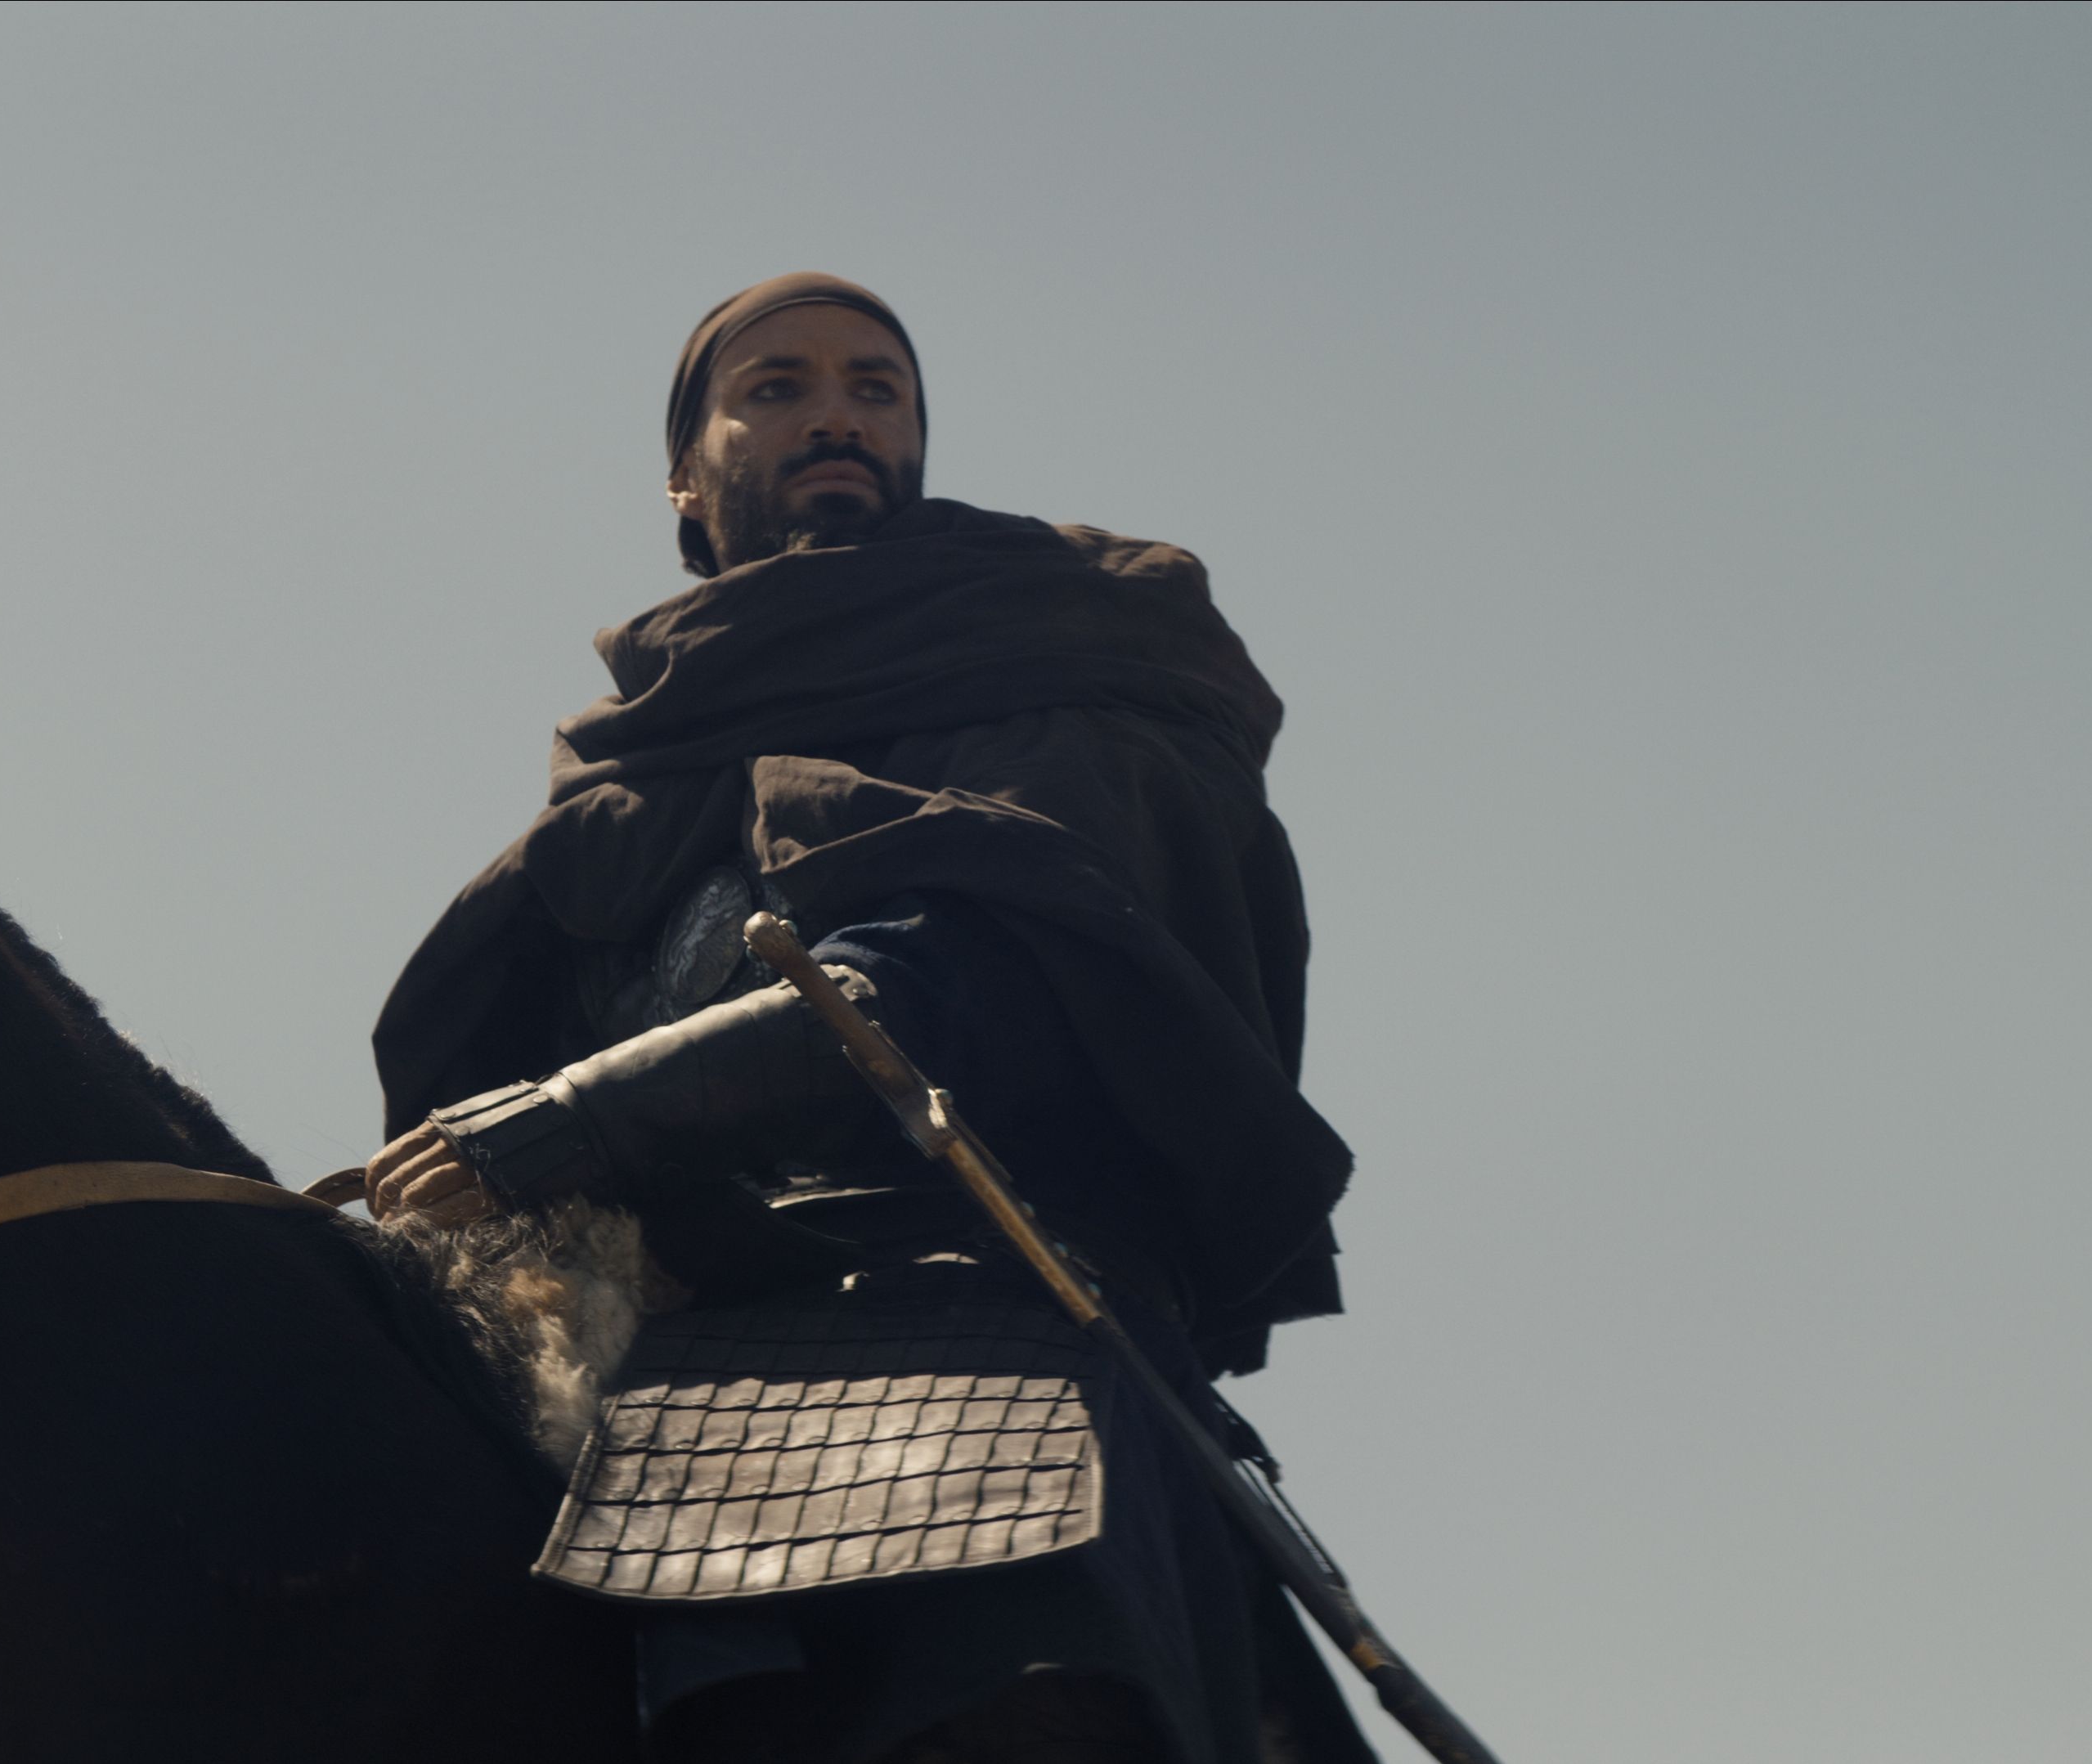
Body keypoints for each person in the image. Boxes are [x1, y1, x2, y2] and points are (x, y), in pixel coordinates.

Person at [364, 274, 1376, 1763]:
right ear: (685, 477)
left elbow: (966, 974)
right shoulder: (621, 794)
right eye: (777, 387)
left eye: (874, 388)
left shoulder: (1059, 651)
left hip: (975, 1317)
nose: (836, 414)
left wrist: (574, 1117)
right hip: (651, 1357)